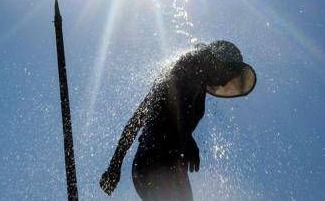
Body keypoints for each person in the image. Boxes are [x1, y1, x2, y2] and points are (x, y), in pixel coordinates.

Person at [99, 40, 256, 200]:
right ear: (220, 61)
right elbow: (143, 117)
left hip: (166, 163)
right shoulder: (191, 63)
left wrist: (115, 164)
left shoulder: (196, 78)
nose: (224, 83)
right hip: (157, 160)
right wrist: (114, 165)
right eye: (227, 75)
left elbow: (145, 117)